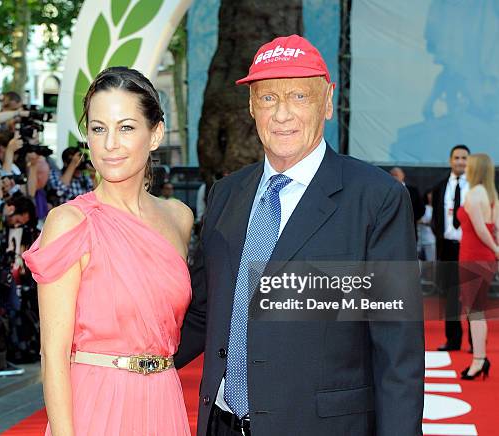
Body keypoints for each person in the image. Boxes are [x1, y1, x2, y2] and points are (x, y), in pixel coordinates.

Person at [174, 34, 424, 436]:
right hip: (222, 423)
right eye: (269, 98)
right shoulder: (226, 194)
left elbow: (397, 350)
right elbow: (204, 311)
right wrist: (132, 358)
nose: (282, 114)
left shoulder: (376, 198)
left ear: (327, 102)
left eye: (299, 97)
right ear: (252, 106)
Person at [22, 67, 193, 435]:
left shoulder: (179, 218)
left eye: (126, 127)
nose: (110, 143)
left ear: (155, 134)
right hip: (96, 407)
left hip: (165, 401)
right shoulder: (69, 222)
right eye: (98, 129)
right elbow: (53, 355)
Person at [457, 153, 498, 380]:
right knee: (477, 310)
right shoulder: (492, 195)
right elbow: (497, 228)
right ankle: (480, 358)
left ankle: (478, 360)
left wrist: (496, 249)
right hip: (485, 258)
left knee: (475, 312)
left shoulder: (474, 194)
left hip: (473, 257)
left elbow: (482, 230)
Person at [431, 145, 471, 351]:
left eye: (464, 158)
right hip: (447, 248)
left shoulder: (475, 187)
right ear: (450, 160)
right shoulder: (439, 187)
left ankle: (475, 343)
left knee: (472, 296)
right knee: (451, 296)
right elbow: (436, 219)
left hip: (469, 248)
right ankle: (453, 340)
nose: (460, 162)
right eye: (456, 157)